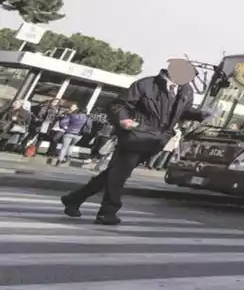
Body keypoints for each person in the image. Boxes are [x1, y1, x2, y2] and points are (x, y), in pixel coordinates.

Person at [61, 58, 209, 225]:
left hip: (157, 140)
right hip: (135, 136)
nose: (189, 80)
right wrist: (123, 120)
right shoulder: (146, 85)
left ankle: (73, 199)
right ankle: (108, 212)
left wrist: (200, 115)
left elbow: (183, 111)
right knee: (119, 175)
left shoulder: (186, 91)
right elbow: (119, 105)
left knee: (113, 173)